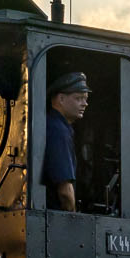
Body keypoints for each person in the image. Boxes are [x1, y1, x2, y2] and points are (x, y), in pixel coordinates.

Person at [41, 69, 90, 211]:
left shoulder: (54, 125)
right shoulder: (58, 130)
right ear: (61, 99)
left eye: (85, 99)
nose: (85, 104)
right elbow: (65, 190)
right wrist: (72, 216)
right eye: (79, 98)